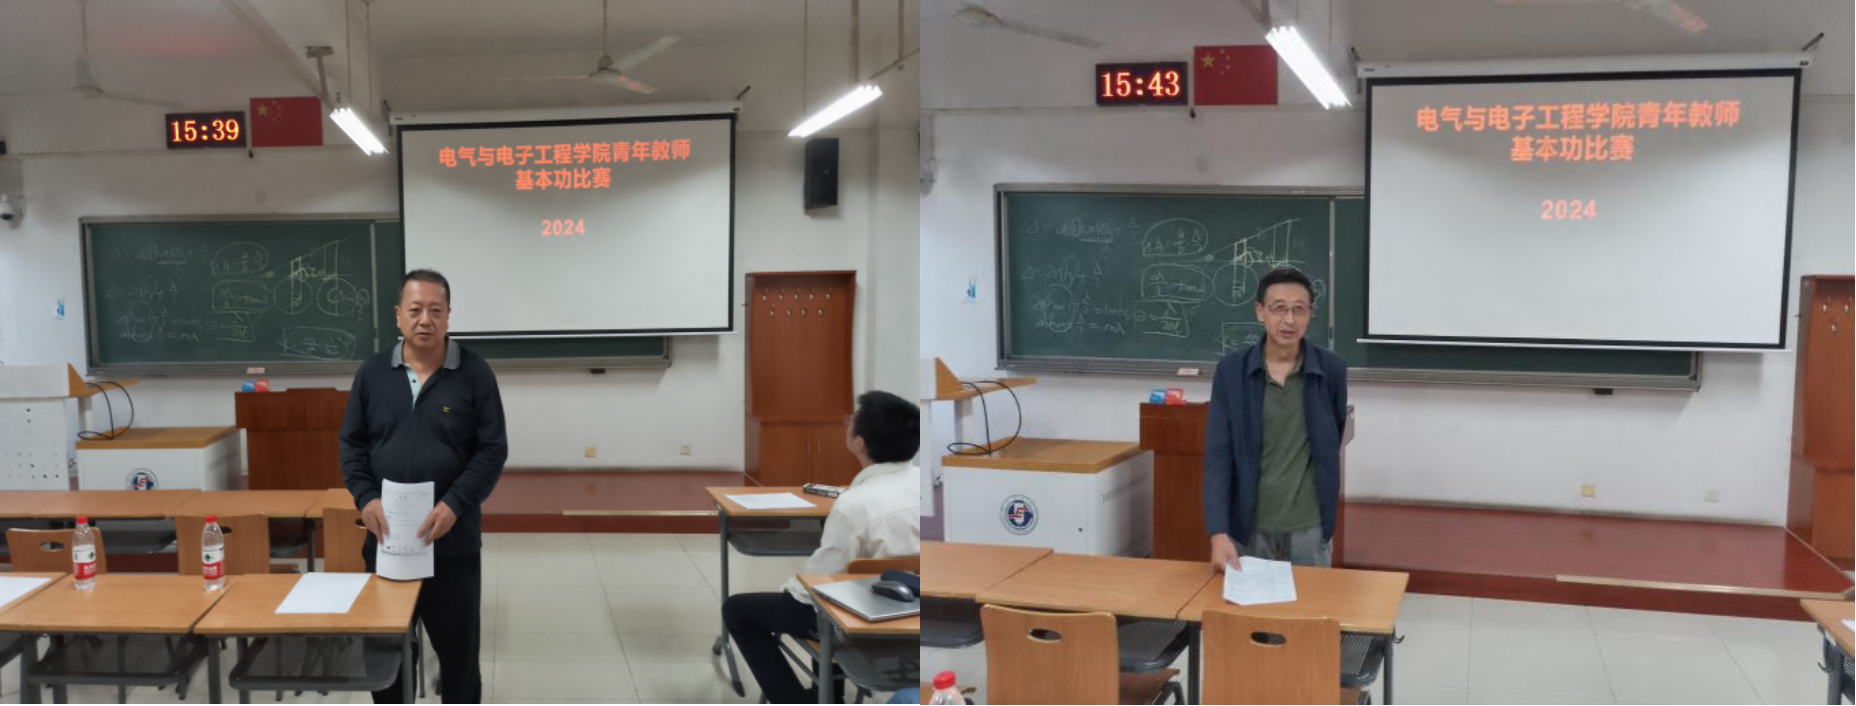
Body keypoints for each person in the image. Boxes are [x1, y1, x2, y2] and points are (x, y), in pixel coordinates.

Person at [339, 269, 507, 704]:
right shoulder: (373, 373)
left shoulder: (474, 373)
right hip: (388, 543)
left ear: (449, 315)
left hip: (452, 544)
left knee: (458, 659)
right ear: (399, 315)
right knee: (386, 657)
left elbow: (492, 451)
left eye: (436, 310)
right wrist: (366, 498)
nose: (425, 320)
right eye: (415, 310)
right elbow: (352, 445)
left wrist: (455, 504)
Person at [722, 390, 922, 704]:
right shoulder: (926, 486)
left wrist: (789, 589)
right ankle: (827, 695)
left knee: (739, 610)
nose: (847, 423)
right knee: (832, 599)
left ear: (860, 443)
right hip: (915, 613)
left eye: (851, 421)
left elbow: (819, 584)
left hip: (863, 618)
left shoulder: (855, 504)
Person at [1204, 266, 1348, 570]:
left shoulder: (1331, 369)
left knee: (1312, 601)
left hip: (1310, 527)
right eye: (1279, 308)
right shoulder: (1232, 371)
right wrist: (1218, 532)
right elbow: (1218, 457)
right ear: (1260, 311)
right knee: (1251, 603)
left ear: (1310, 313)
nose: (1289, 320)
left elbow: (1331, 437)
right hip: (1249, 527)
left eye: (1299, 309)